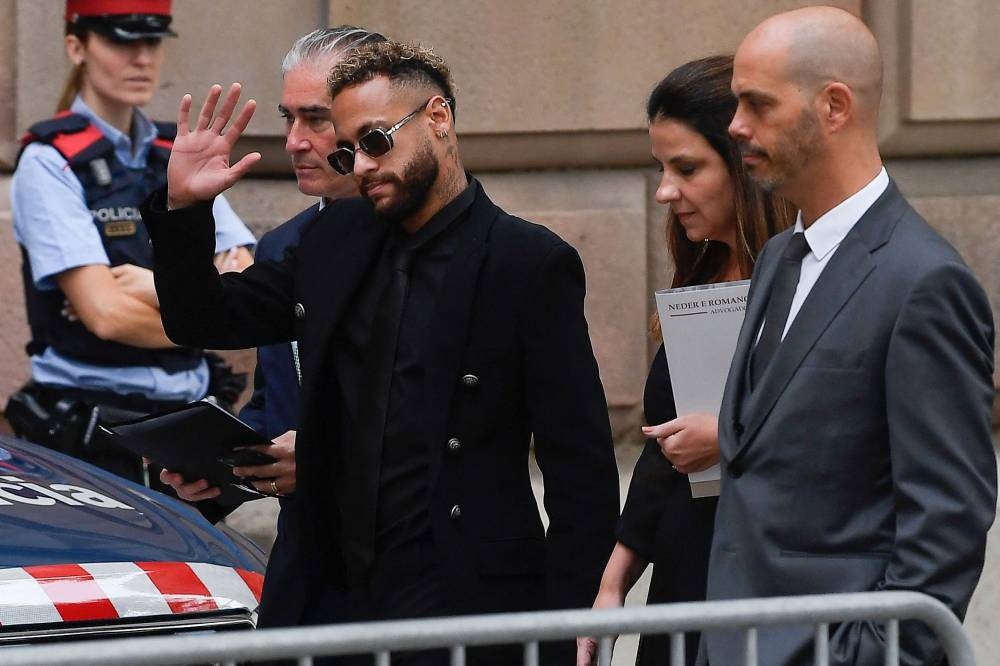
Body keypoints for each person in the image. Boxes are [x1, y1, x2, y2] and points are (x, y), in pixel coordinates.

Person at [142, 39, 619, 663]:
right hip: (331, 596)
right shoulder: (332, 238)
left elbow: (580, 467)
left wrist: (563, 622)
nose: (361, 166)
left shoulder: (527, 263)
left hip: (463, 597)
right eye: (348, 152)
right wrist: (186, 207)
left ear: (438, 119)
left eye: (375, 141)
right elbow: (203, 316)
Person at [702, 7, 996, 665]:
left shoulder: (923, 282)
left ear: (833, 107)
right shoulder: (781, 255)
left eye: (757, 104)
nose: (735, 126)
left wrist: (863, 658)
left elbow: (945, 525)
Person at [160, 25, 387, 631]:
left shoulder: (465, 243)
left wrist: (323, 459)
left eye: (316, 119)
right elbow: (276, 400)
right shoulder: (290, 245)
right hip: (308, 576)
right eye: (290, 118)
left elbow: (469, 428)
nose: (295, 142)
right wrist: (223, 469)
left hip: (411, 577)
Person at [576, 55, 794, 666]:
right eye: (661, 168)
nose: (665, 190)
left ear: (746, 163)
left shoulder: (815, 284)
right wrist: (613, 582)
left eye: (688, 167)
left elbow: (843, 430)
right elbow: (662, 450)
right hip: (684, 585)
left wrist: (728, 437)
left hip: (765, 594)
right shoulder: (704, 269)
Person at [6, 0, 255, 485]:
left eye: (152, 40)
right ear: (77, 46)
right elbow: (106, 314)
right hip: (95, 427)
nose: (142, 57)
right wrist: (212, 312)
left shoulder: (177, 153)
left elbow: (245, 286)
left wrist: (151, 286)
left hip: (193, 420)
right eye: (121, 41)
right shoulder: (49, 160)